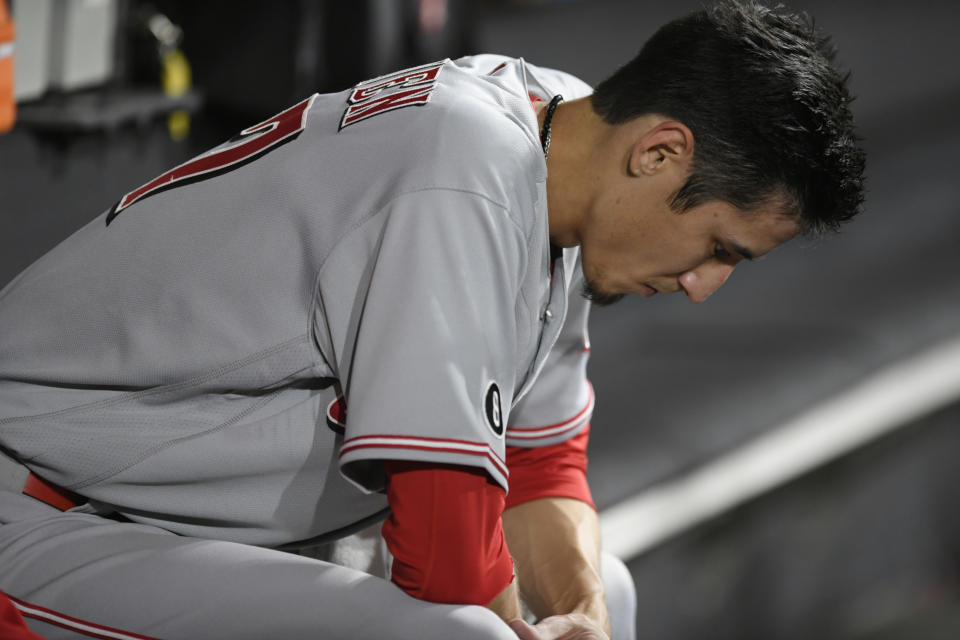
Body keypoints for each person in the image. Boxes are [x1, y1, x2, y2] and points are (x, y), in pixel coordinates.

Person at [0, 1, 864, 638]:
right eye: (719, 245)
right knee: (463, 636)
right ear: (659, 151)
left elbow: (540, 468)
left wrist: (582, 620)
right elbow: (444, 548)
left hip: (182, 522)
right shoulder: (466, 168)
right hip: (50, 511)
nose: (705, 284)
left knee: (603, 586)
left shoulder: (567, 137)